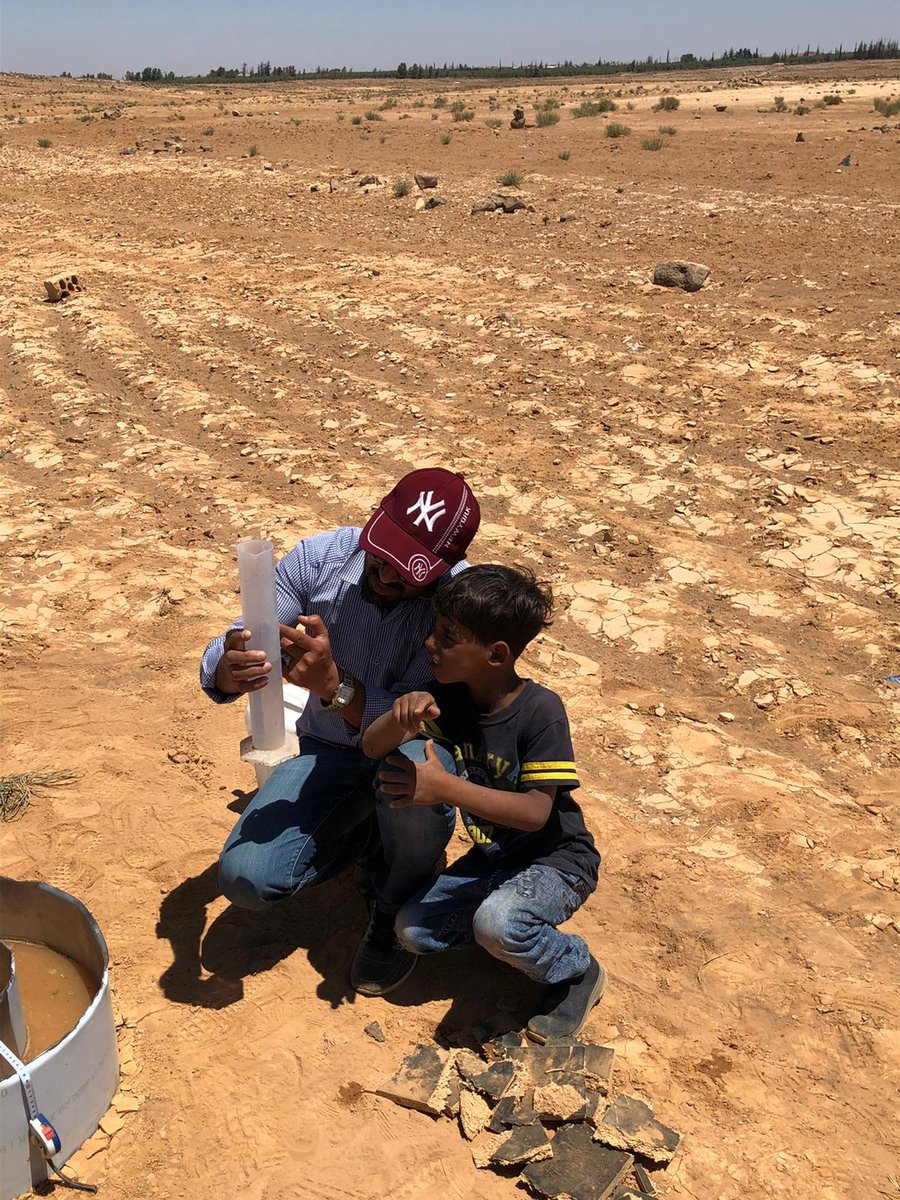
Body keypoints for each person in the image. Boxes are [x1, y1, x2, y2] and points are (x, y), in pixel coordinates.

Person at [199, 468, 480, 996]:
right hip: (328, 749)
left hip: (405, 748)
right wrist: (228, 664)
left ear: (443, 568)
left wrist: (337, 687)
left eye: (410, 573)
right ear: (376, 514)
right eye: (386, 556)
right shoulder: (319, 560)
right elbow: (249, 631)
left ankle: (395, 898)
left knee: (415, 773)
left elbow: (423, 716)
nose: (390, 578)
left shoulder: (460, 605)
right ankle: (362, 835)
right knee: (247, 878)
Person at [362, 565, 604, 1042]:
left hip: (556, 862)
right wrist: (399, 716)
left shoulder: (540, 711)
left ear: (496, 654)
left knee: (498, 923)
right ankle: (505, 932)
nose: (430, 644)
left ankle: (577, 969)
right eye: (435, 630)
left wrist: (445, 788)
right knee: (412, 930)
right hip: (493, 861)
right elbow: (372, 747)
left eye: (449, 637)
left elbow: (536, 814)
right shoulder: (446, 699)